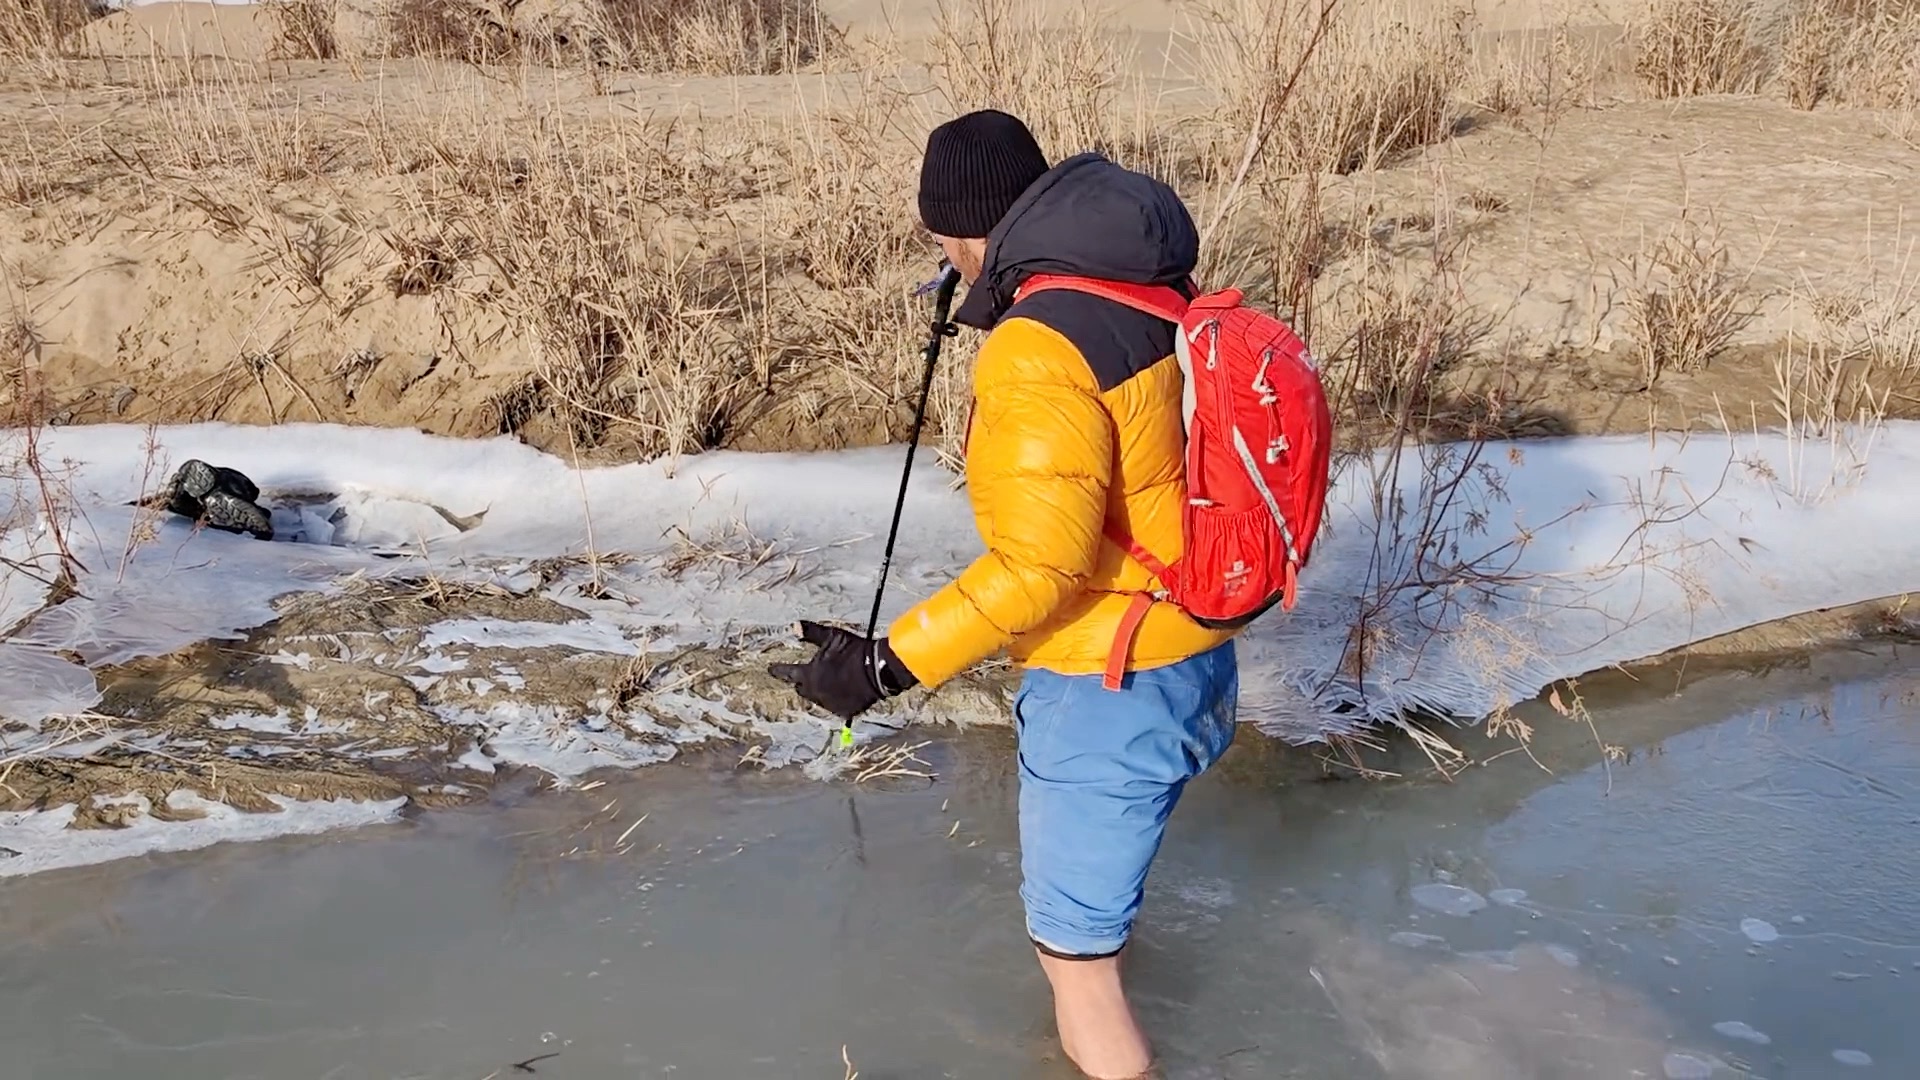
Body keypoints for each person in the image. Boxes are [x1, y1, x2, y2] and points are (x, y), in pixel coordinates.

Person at [771, 109, 1240, 1080]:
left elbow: (1042, 568)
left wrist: (885, 667)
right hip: (1194, 652)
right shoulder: (1145, 282)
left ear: (961, 231)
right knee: (1097, 933)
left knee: (1076, 969)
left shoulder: (1035, 349)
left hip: (1106, 680)